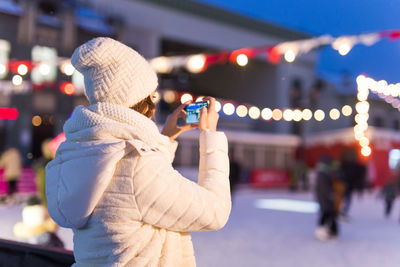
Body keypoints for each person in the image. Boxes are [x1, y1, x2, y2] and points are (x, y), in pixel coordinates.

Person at [46, 37, 231, 266]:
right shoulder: (137, 167)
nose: (154, 105)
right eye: (152, 96)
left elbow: (134, 192)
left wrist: (166, 137)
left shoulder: (83, 152)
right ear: (137, 99)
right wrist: (210, 137)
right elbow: (215, 212)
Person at [315, 155, 338, 241]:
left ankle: (329, 231)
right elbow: (324, 186)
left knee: (327, 213)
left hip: (324, 197)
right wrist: (330, 194)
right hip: (324, 197)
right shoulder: (323, 172)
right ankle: (323, 231)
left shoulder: (325, 171)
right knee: (327, 213)